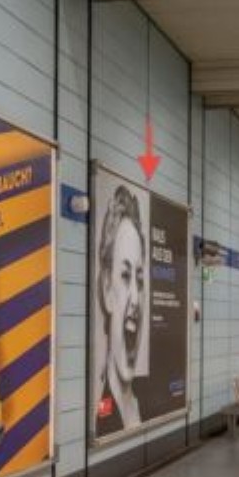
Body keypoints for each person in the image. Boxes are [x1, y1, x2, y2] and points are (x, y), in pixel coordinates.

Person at [94, 184, 147, 437]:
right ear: (107, 288)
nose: (135, 298)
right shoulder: (102, 419)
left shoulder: (149, 395)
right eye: (125, 276)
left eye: (140, 279)